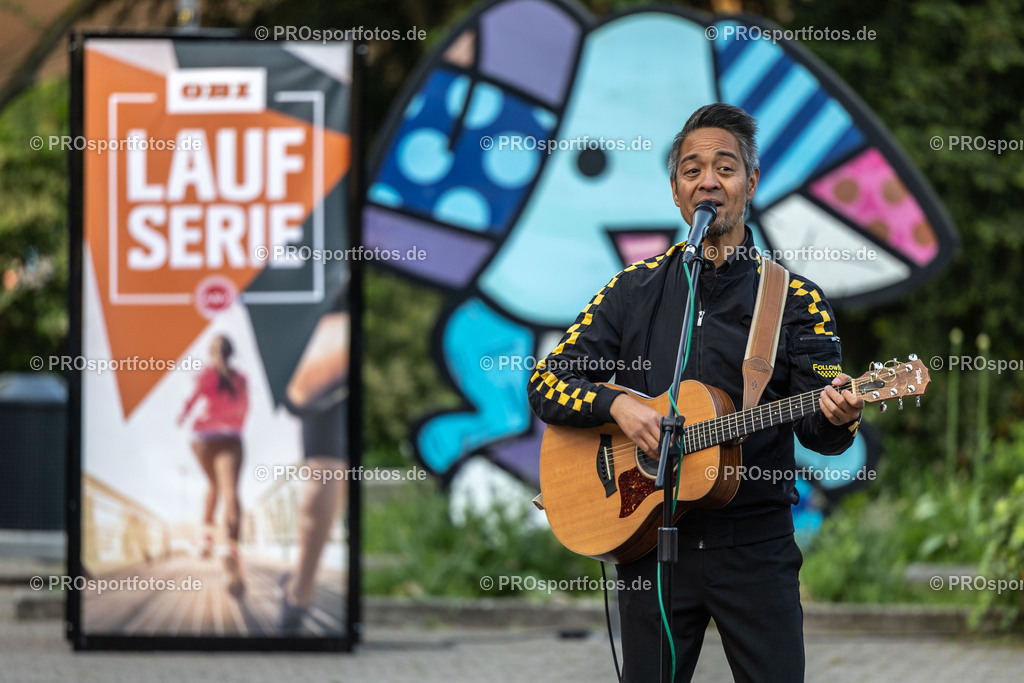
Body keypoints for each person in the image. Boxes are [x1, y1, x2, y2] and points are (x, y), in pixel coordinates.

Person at [527, 103, 864, 682]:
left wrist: (839, 414)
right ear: (676, 192)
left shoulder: (793, 298)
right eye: (692, 170)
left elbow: (823, 434)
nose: (708, 180)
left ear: (750, 183)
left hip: (754, 548)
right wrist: (618, 405)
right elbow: (547, 383)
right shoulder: (632, 290)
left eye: (725, 168)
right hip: (649, 541)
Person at [277, 286, 351, 634]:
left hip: (328, 309)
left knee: (324, 461)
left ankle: (300, 591)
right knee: (333, 460)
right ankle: (300, 586)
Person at [178, 334, 249, 598]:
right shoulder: (241, 379)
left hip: (202, 440)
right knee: (230, 491)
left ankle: (207, 536)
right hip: (229, 438)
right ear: (232, 353)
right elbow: (245, 408)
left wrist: (183, 416)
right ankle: (232, 547)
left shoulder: (206, 375)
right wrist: (234, 425)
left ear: (212, 353)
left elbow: (191, 401)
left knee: (213, 484)